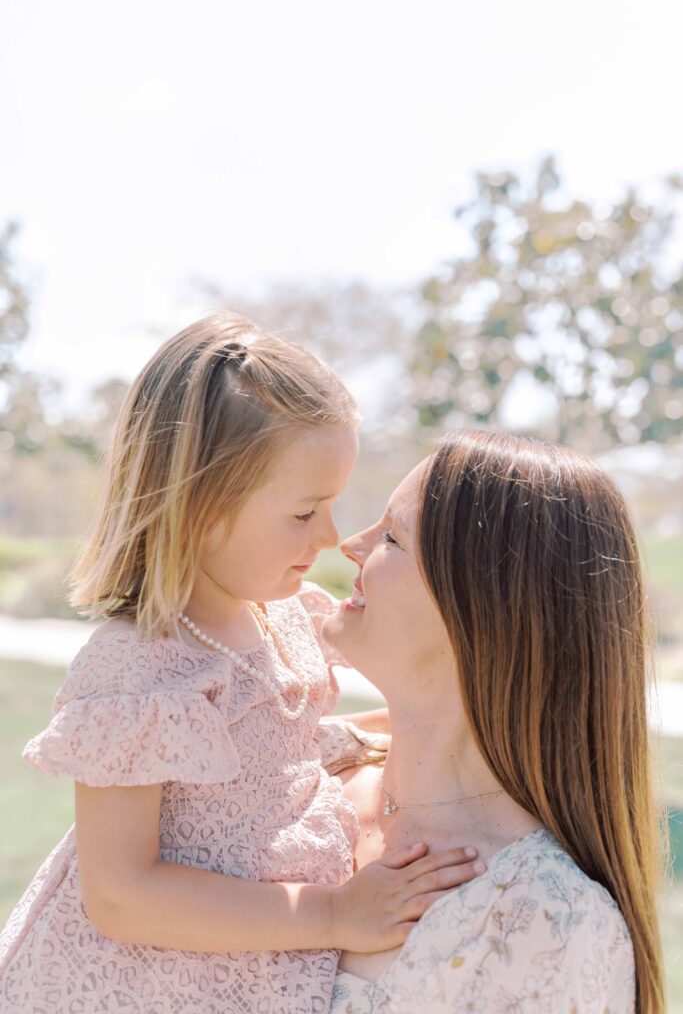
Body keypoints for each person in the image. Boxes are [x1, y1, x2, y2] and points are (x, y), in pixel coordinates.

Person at [0, 314, 481, 1014]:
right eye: (304, 513)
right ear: (199, 507)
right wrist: (332, 914)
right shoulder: (138, 672)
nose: (330, 536)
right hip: (139, 987)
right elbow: (120, 894)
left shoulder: (280, 619)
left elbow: (270, 749)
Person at [321, 430, 665, 1014]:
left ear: (486, 608)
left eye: (392, 537)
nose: (350, 545)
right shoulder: (301, 765)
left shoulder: (550, 925)